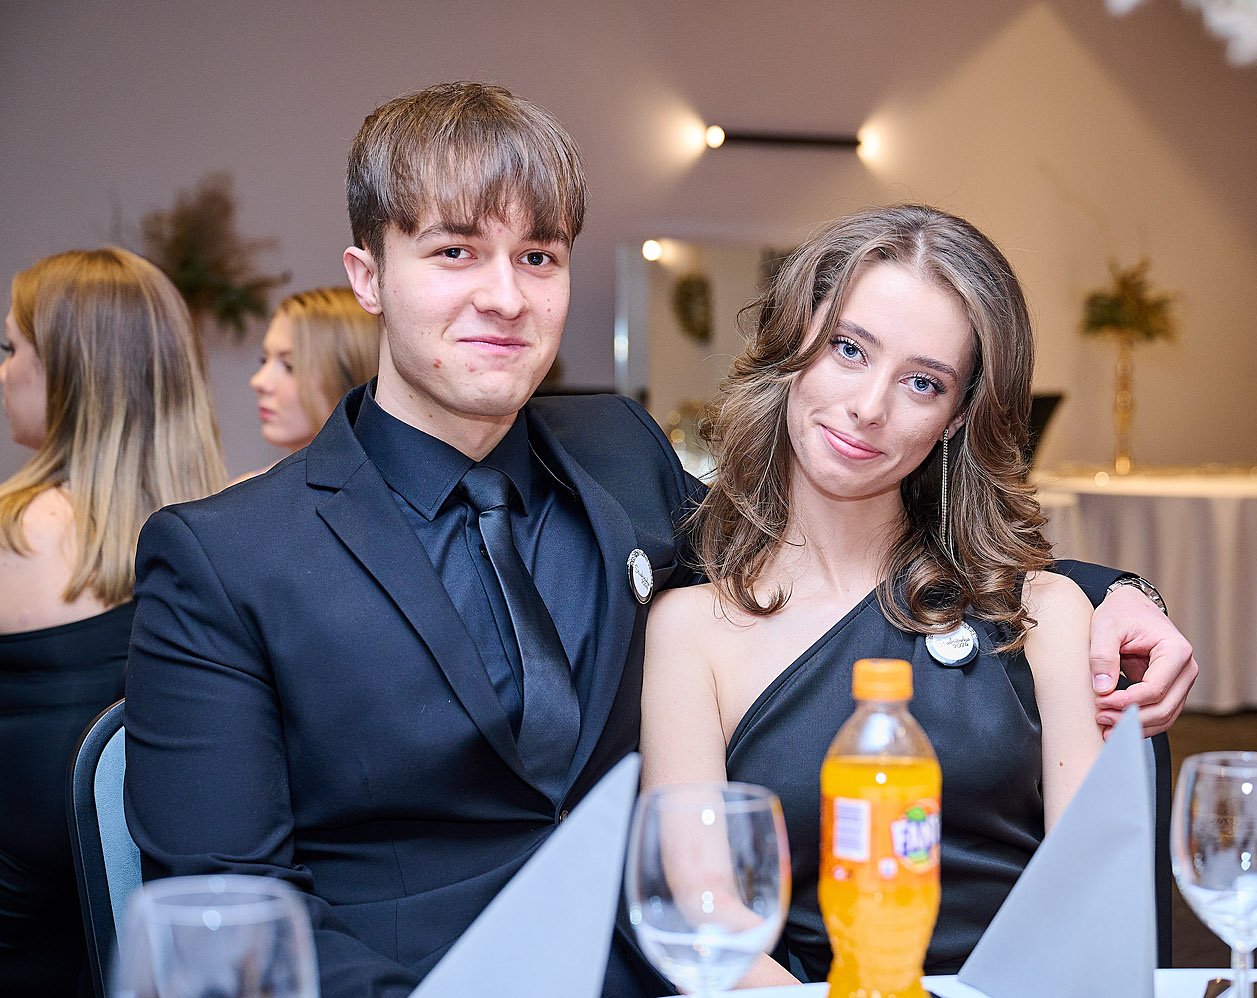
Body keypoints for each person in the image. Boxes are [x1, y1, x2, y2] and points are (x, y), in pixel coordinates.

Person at [124, 82, 1197, 998]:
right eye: (455, 252)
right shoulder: (228, 557)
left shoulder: (616, 455)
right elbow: (229, 922)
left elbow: (824, 550)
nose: (504, 297)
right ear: (367, 275)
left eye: (537, 256)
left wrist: (1114, 596)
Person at [640, 204, 1106, 986]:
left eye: (923, 382)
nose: (869, 407)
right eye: (848, 349)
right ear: (795, 346)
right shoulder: (692, 631)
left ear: (956, 419)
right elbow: (705, 910)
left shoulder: (1046, 616)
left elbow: (1089, 893)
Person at [0, 248, 224, 994]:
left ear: (68, 371)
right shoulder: (221, 539)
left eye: (11, 348)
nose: (3, 373)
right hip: (141, 951)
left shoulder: (19, 533)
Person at [239, 287, 379, 480]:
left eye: (289, 366)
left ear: (348, 375)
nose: (258, 381)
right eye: (264, 360)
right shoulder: (247, 492)